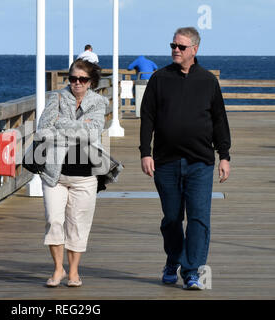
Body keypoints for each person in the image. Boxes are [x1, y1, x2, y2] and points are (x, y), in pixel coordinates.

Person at [139, 27, 231, 290]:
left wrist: (224, 155)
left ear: (195, 49)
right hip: (166, 162)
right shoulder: (160, 78)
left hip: (200, 161)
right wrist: (146, 151)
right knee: (171, 218)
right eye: (173, 45)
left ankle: (191, 271)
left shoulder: (207, 81)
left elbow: (219, 120)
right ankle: (173, 259)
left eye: (181, 46)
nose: (175, 50)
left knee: (199, 218)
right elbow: (148, 117)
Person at [35, 58, 122, 287]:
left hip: (85, 175)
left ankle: (73, 272)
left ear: (91, 81)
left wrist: (61, 125)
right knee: (54, 220)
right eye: (72, 78)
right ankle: (57, 269)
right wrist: (76, 128)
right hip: (55, 173)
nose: (76, 83)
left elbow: (92, 134)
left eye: (82, 79)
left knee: (78, 223)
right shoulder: (56, 97)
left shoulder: (98, 102)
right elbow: (43, 130)